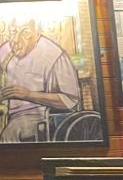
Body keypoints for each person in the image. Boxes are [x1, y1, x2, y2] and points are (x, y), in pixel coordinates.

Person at [0, 13, 81, 142]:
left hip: (38, 116)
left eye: (25, 32)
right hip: (5, 114)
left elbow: (70, 100)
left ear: (38, 34)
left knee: (10, 133)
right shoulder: (4, 50)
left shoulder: (55, 56)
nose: (16, 40)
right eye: (13, 31)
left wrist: (29, 95)